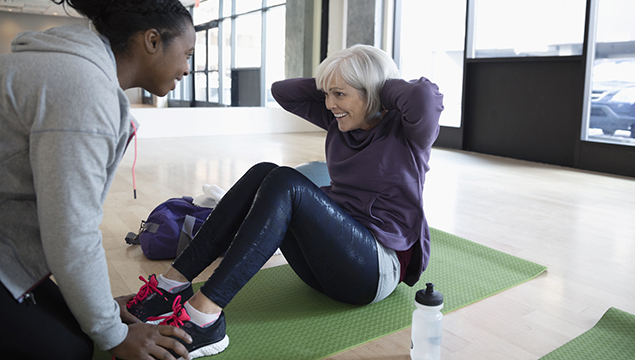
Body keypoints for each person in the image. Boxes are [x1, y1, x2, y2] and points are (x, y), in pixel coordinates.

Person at [125, 44, 444, 358]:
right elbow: (283, 91)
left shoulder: (408, 130)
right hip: (329, 265)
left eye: (340, 94)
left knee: (286, 182)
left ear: (373, 92)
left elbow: (424, 97)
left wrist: (376, 86)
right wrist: (336, 81)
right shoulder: (339, 119)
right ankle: (171, 287)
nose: (330, 103)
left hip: (374, 269)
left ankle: (205, 315)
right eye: (327, 94)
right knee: (265, 172)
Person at [0, 0, 195, 359]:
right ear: (152, 40)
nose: (186, 68)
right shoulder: (83, 90)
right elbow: (70, 231)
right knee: (70, 349)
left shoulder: (78, 69)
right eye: (186, 53)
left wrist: (102, 310)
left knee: (77, 329)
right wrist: (110, 330)